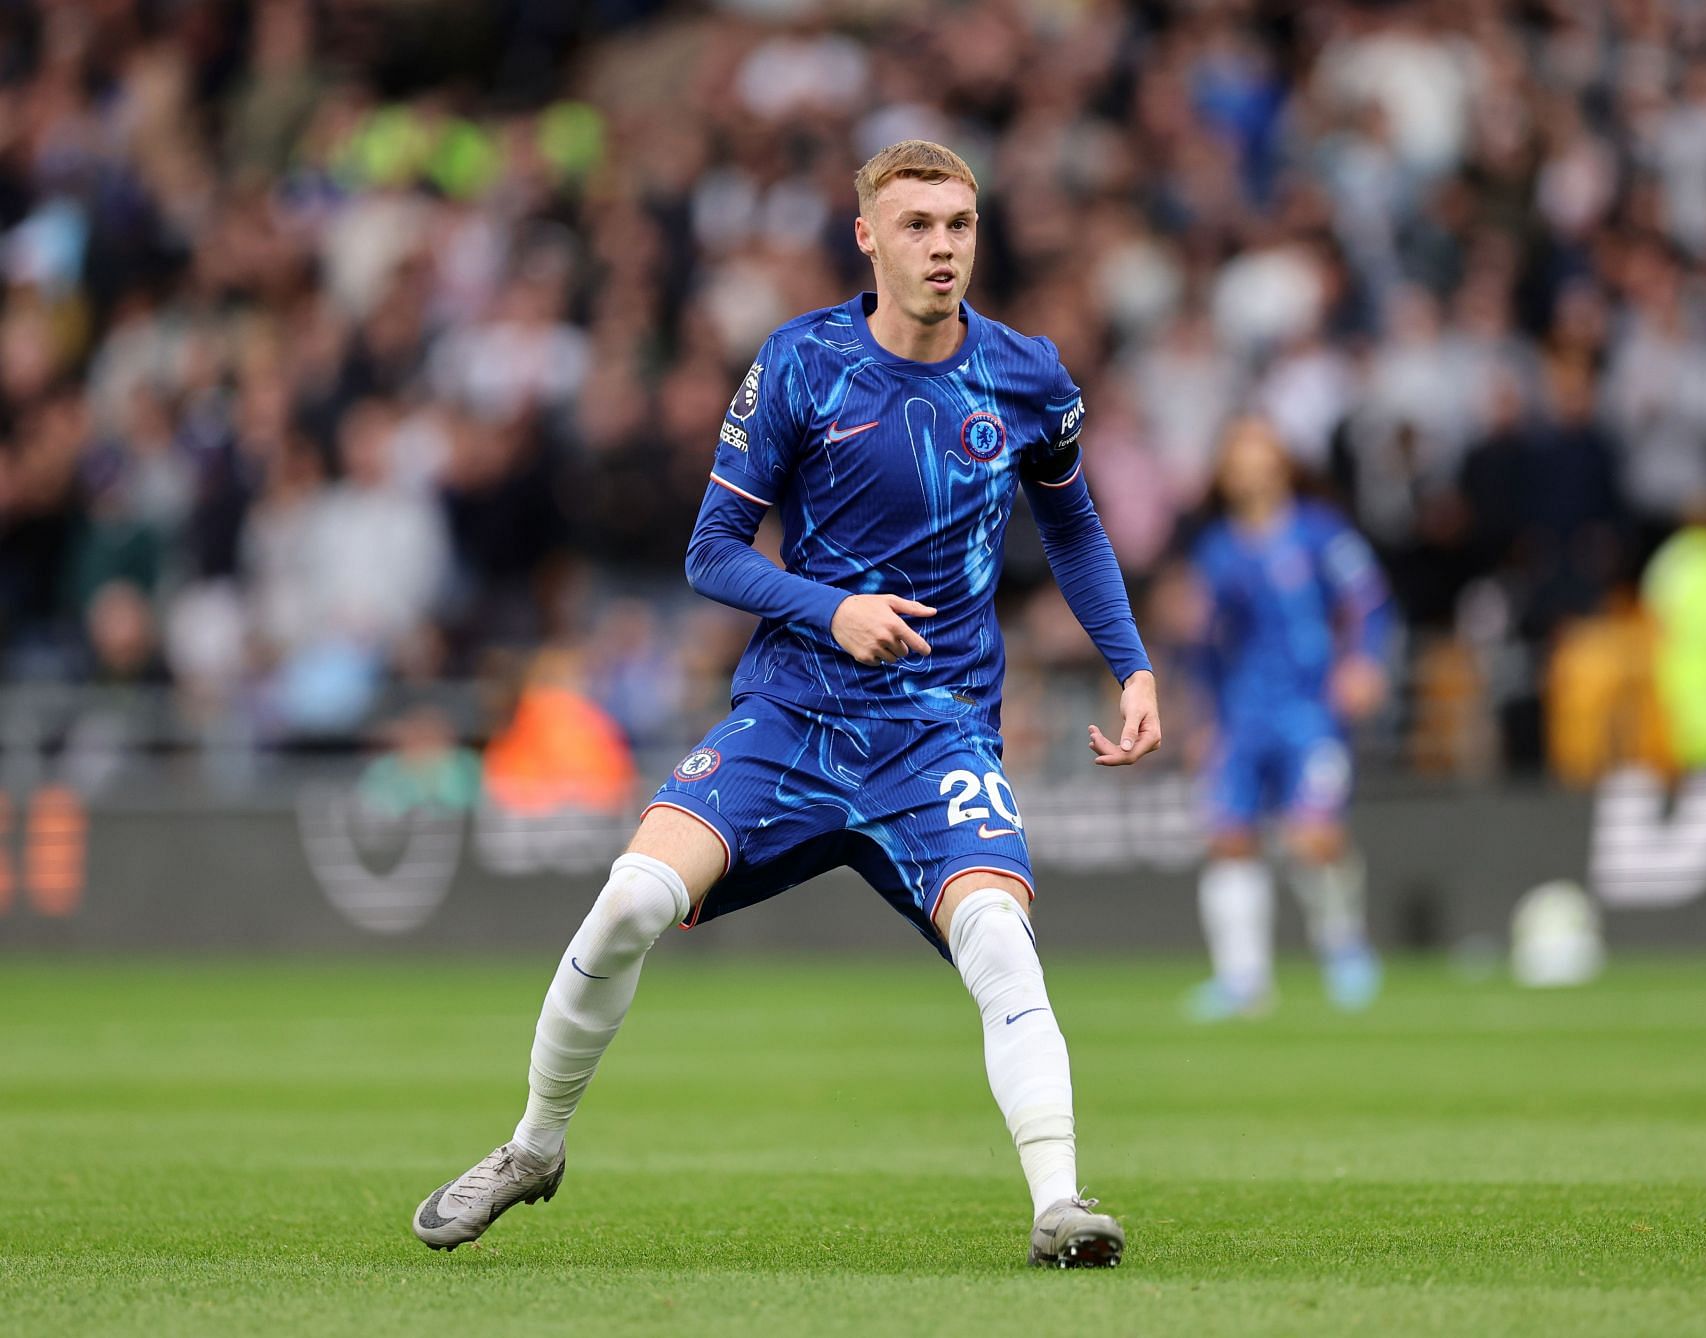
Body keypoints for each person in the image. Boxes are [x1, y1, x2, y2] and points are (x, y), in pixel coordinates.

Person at [410, 141, 1161, 1268]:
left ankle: (1059, 1203)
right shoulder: (802, 363)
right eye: (916, 224)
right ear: (868, 235)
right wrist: (831, 608)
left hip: (936, 728)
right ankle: (532, 1148)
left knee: (1002, 940)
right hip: (794, 715)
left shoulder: (1026, 377)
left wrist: (1133, 662)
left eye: (958, 223)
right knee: (626, 904)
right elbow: (710, 553)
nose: (942, 245)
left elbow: (1074, 526)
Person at [1181, 416, 1392, 1019]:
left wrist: (1364, 662)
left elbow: (1369, 600)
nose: (1247, 464)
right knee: (1230, 838)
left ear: (1279, 461)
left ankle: (1344, 947)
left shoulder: (1321, 533)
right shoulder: (1217, 550)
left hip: (1310, 710)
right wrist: (1205, 717)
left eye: (1257, 450)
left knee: (1314, 835)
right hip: (1244, 713)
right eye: (1236, 453)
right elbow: (1205, 645)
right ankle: (1243, 980)